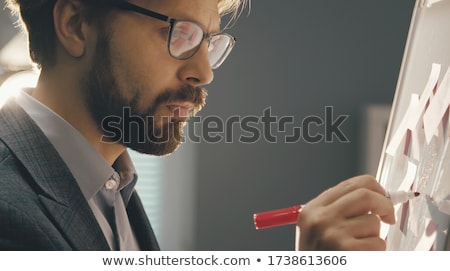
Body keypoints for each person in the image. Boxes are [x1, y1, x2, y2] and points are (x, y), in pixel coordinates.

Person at [0, 0, 395, 251]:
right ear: (75, 24)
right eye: (180, 34)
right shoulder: (10, 212)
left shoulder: (110, 188)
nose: (203, 72)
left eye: (209, 43)